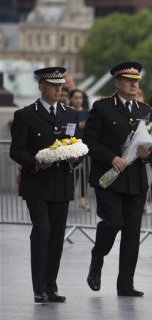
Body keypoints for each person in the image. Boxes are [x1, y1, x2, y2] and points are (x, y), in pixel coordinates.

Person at [83, 61, 152, 297]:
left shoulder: (144, 109)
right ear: (118, 83)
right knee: (112, 223)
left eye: (136, 82)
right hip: (110, 178)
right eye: (129, 81)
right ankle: (98, 255)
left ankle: (125, 283)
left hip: (135, 180)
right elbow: (90, 141)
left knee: (132, 233)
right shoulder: (102, 108)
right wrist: (111, 157)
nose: (134, 85)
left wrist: (148, 155)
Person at [10, 66, 81, 303]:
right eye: (53, 86)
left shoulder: (70, 114)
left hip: (61, 183)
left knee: (57, 235)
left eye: (60, 85)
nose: (58, 89)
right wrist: (35, 163)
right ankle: (38, 287)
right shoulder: (26, 115)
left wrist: (75, 158)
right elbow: (16, 150)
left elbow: (76, 145)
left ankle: (51, 285)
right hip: (38, 184)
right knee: (42, 231)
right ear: (42, 87)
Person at [69, 88, 91, 211]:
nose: (78, 100)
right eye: (76, 97)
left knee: (85, 173)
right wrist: (80, 125)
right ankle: (69, 197)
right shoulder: (68, 111)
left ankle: (83, 199)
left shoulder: (87, 113)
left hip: (85, 148)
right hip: (72, 147)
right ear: (71, 98)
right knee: (72, 174)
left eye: (80, 97)